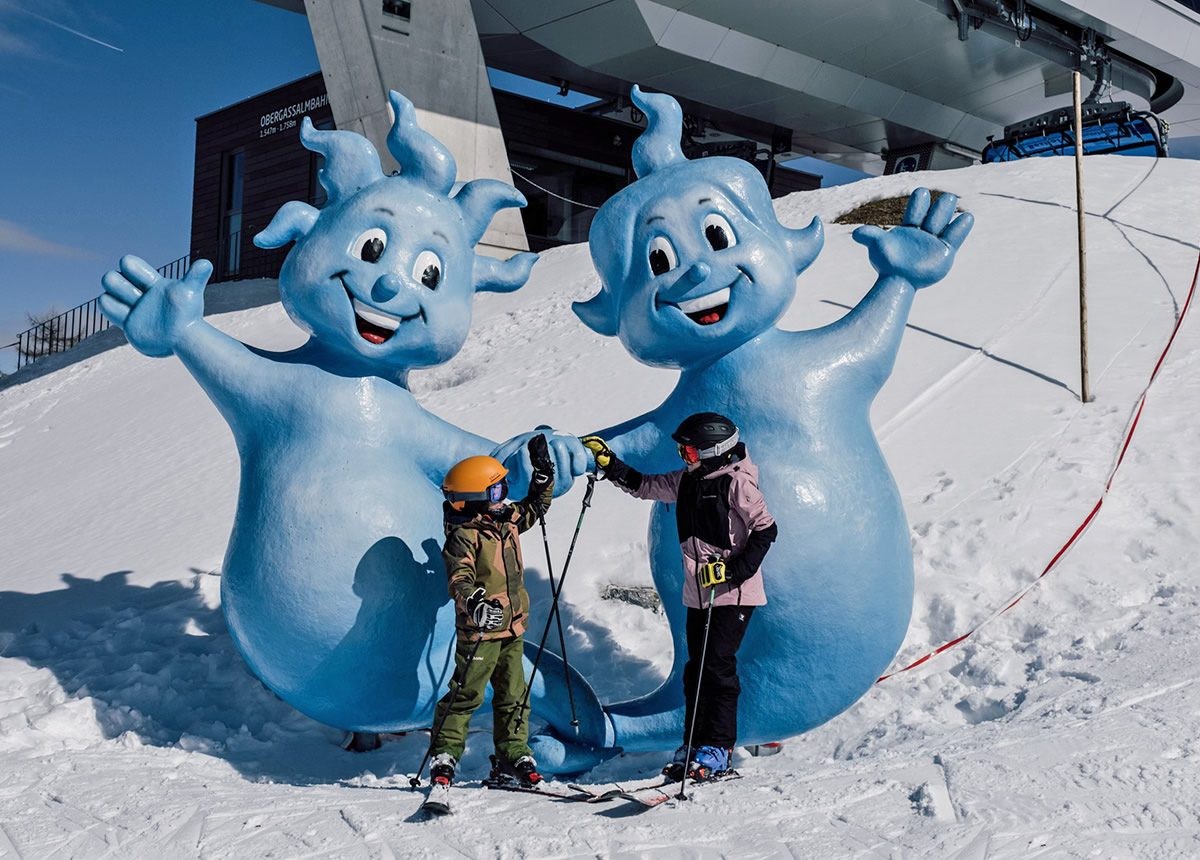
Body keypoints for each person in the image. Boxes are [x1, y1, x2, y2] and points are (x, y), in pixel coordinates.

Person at [582, 412, 777, 779]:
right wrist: (610, 466)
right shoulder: (689, 480)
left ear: (713, 450)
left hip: (733, 592)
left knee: (717, 668)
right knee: (696, 671)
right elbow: (645, 486)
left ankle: (718, 750)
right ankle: (693, 744)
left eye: (688, 451)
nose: (683, 457)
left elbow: (766, 530)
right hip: (699, 593)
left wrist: (733, 570)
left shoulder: (738, 484)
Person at [427, 433, 556, 789]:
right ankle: (446, 752)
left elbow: (533, 508)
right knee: (466, 692)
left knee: (514, 693)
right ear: (473, 500)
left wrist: (543, 476)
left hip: (512, 627)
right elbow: (460, 579)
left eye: (503, 489)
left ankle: (512, 753)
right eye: (496, 492)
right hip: (481, 630)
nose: (504, 498)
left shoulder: (505, 519)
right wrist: (475, 605)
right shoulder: (464, 536)